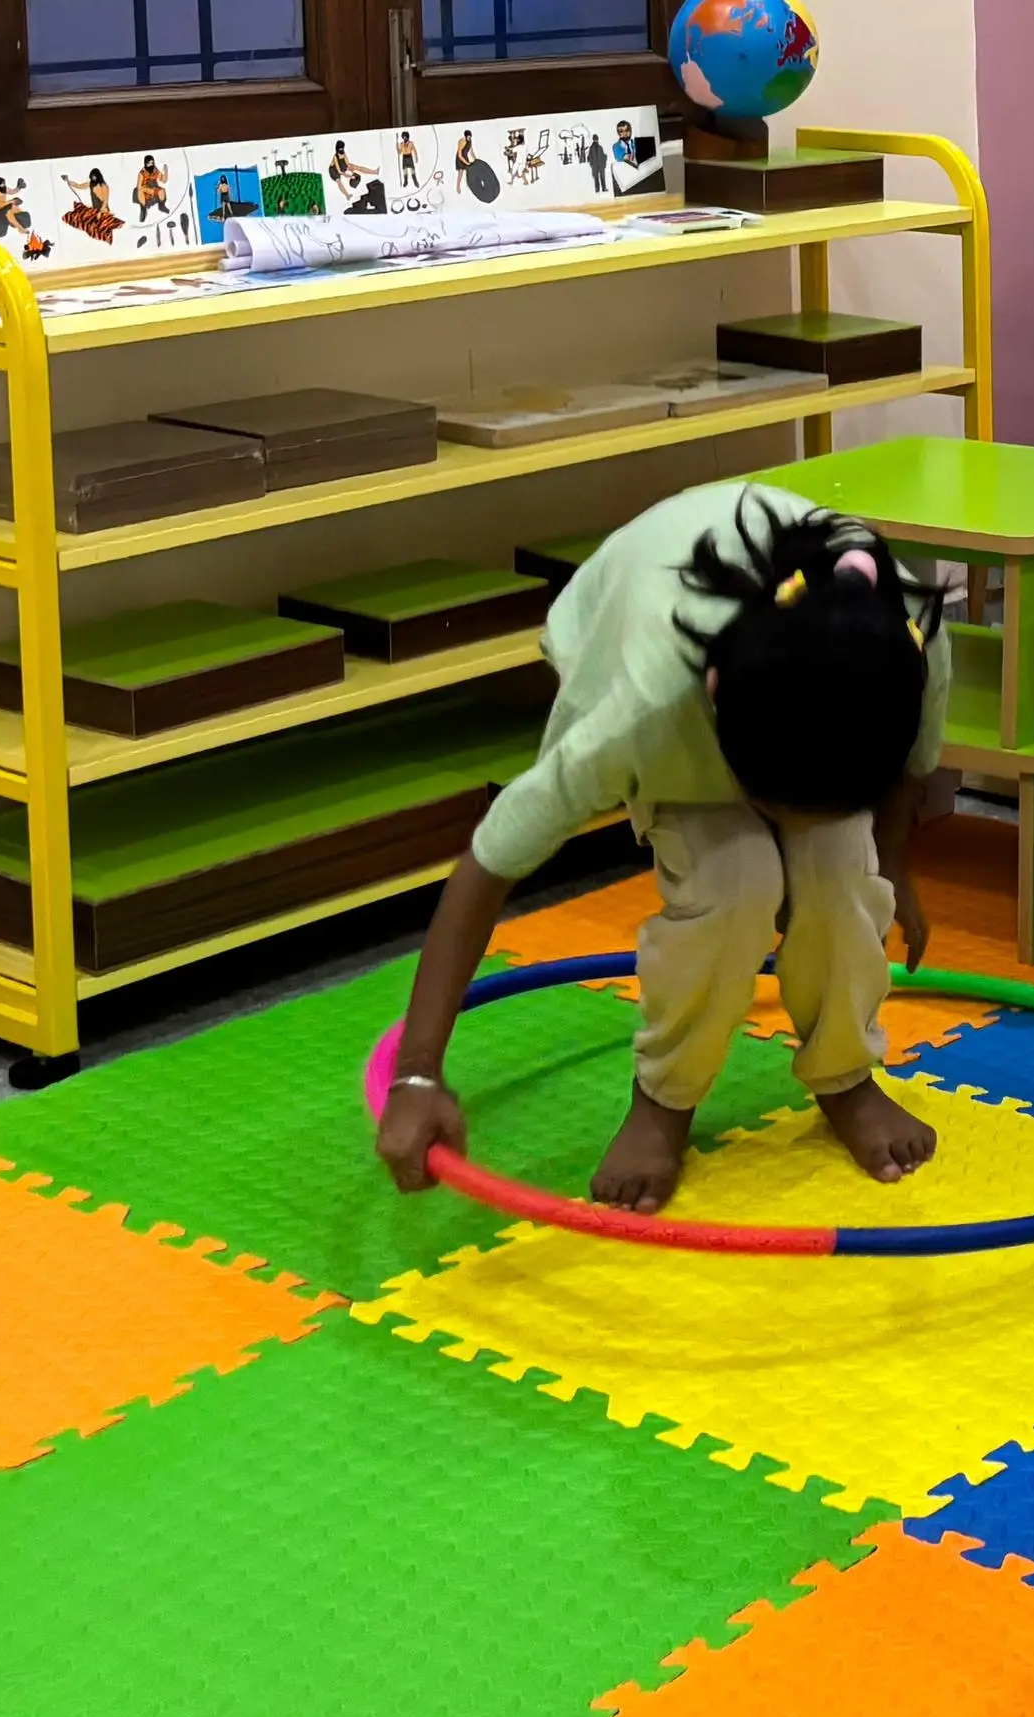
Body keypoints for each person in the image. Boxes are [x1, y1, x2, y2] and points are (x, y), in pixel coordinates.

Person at [372, 479, 955, 1209]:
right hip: (634, 598)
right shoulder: (632, 713)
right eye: (777, 807)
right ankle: (664, 1101)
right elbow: (487, 868)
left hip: (802, 672)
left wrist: (893, 867)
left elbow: (904, 774)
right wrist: (417, 1073)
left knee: (840, 869)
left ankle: (845, 1076)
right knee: (734, 885)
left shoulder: (904, 644)